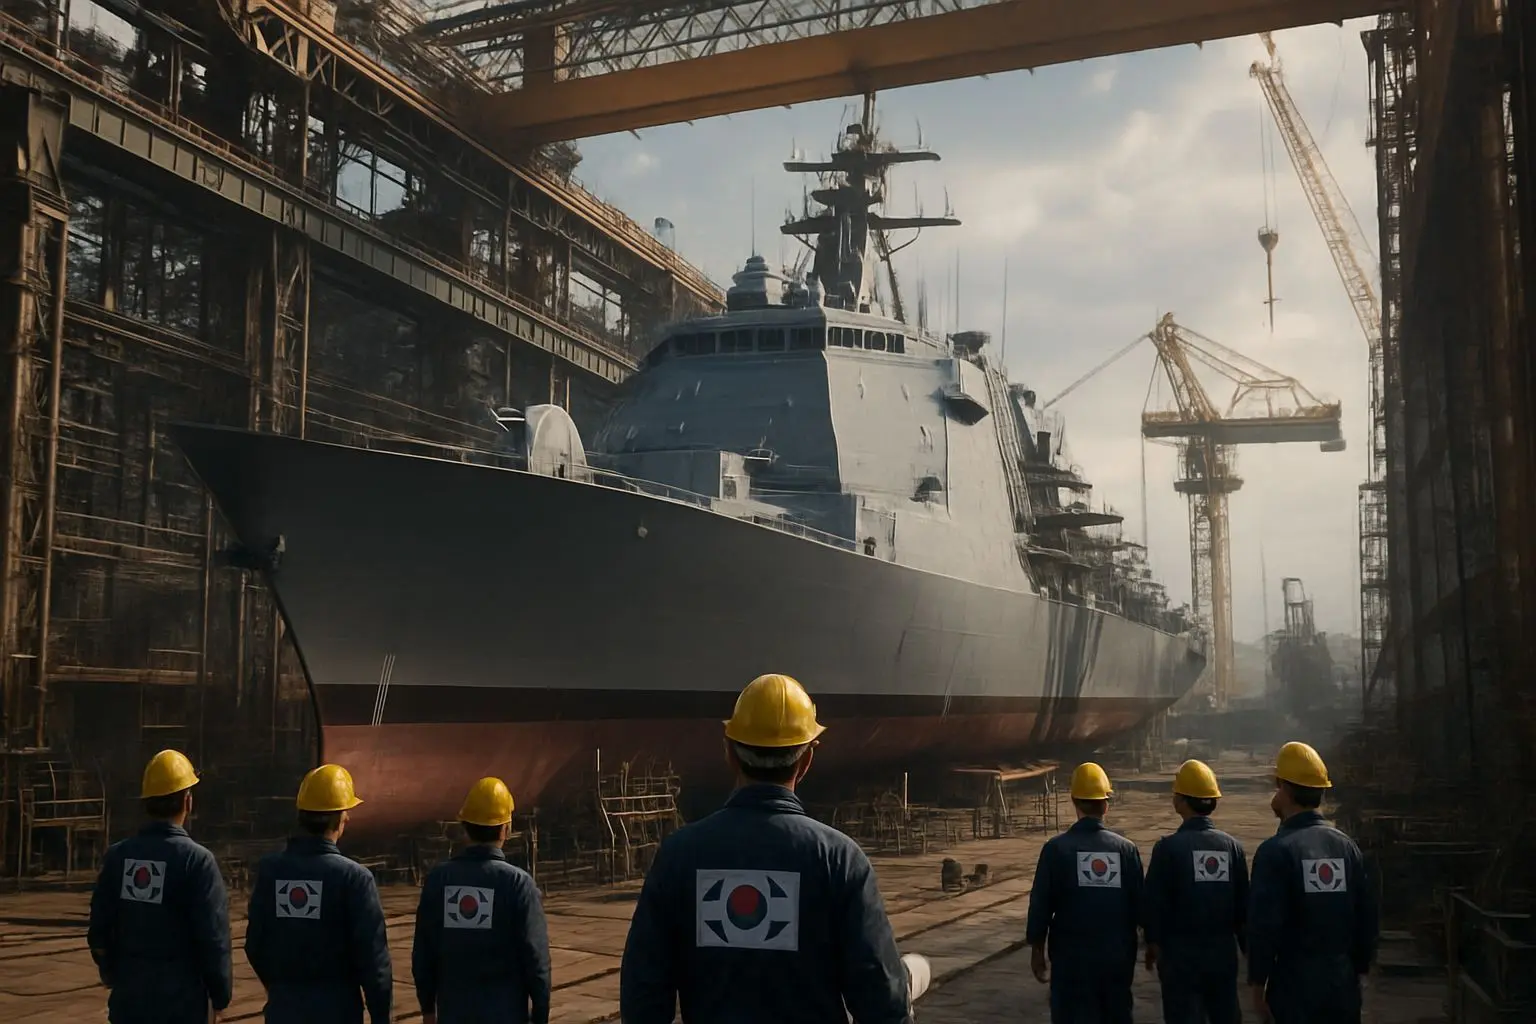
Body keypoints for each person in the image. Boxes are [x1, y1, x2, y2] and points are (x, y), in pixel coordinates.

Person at [619, 673, 914, 1024]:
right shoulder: (841, 860)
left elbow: (643, 996)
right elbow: (883, 1001)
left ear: (729, 752)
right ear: (806, 761)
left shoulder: (678, 855)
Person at [87, 749, 232, 1024]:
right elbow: (213, 940)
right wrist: (220, 996)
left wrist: (113, 975)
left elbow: (99, 930)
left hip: (129, 1000)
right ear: (188, 801)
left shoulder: (119, 857)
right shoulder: (197, 861)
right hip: (183, 1005)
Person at [245, 763, 392, 1024]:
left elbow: (255, 944)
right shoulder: (355, 879)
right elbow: (373, 962)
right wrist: (381, 1017)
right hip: (338, 1012)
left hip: (284, 1011)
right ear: (341, 818)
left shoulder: (271, 870)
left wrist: (280, 990)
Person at [1247, 741, 1379, 1024]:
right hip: (1342, 983)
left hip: (1294, 986)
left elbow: (1264, 925)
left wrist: (1258, 983)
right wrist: (1360, 970)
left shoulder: (1276, 852)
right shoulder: (1346, 847)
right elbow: (1366, 914)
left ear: (1286, 790)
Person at [412, 777, 552, 1024]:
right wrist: (540, 1015)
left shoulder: (438, 880)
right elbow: (536, 960)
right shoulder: (518, 884)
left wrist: (427, 1009)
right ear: (506, 829)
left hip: (453, 1015)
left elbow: (423, 954)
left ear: (464, 827)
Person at [1025, 761, 1144, 1024]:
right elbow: (1140, 904)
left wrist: (1037, 947)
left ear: (1074, 801)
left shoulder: (1056, 849)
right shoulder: (1126, 850)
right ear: (1106, 804)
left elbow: (1041, 903)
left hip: (1071, 960)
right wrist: (1151, 944)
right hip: (1116, 957)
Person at [1142, 759, 1248, 1024]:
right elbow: (1243, 905)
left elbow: (1154, 902)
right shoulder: (1232, 848)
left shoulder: (1167, 849)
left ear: (1181, 801)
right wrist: (1248, 951)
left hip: (1180, 957)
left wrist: (1152, 942)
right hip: (1222, 954)